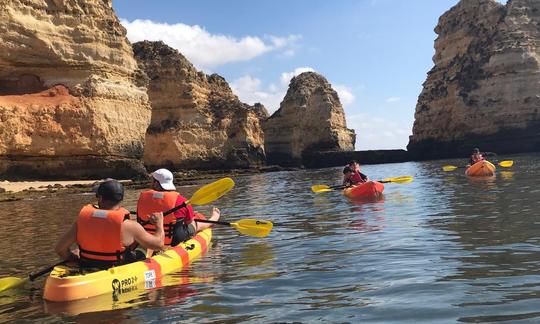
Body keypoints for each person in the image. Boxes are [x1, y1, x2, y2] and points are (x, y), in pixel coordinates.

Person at [55, 180, 165, 269]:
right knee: (145, 245)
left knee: (77, 250)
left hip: (87, 265)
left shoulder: (82, 221)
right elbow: (159, 244)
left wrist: (76, 261)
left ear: (101, 198)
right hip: (117, 267)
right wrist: (159, 224)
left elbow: (60, 249)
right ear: (121, 199)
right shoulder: (130, 226)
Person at [136, 168, 221, 247]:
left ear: (155, 183)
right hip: (174, 240)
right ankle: (212, 220)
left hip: (146, 237)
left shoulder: (142, 197)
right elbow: (189, 222)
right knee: (194, 223)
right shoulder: (181, 201)